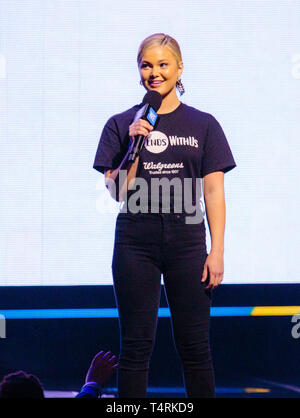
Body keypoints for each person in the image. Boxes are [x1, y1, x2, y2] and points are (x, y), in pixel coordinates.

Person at [93, 33, 237, 398]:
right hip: (135, 240)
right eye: (146, 65)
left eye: (162, 64)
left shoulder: (203, 124)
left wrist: (216, 250)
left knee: (195, 347)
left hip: (187, 240)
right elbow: (116, 192)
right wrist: (134, 143)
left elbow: (214, 191)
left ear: (179, 68)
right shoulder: (121, 124)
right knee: (136, 348)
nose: (154, 73)